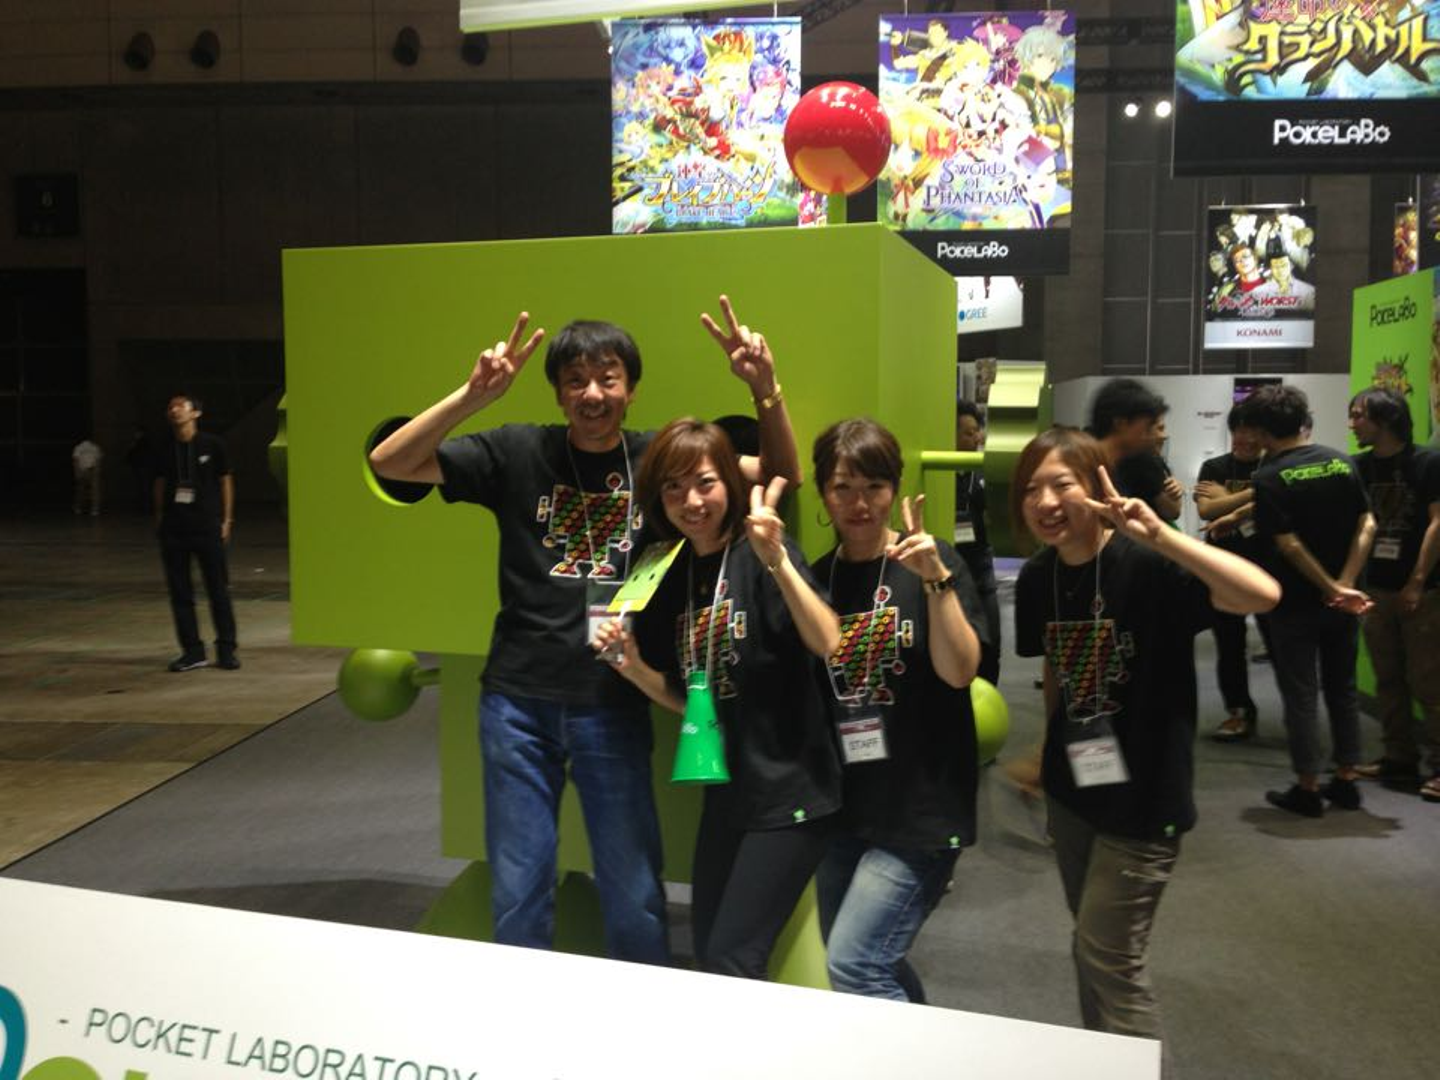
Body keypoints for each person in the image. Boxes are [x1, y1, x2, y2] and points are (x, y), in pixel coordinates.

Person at [367, 298, 800, 965]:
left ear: (631, 388)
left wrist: (764, 389)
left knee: (633, 890)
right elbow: (390, 462)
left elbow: (777, 475)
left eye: (607, 378)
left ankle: (639, 1009)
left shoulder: (656, 460)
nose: (592, 393)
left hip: (612, 699)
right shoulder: (517, 450)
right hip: (516, 703)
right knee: (519, 889)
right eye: (575, 380)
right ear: (558, 392)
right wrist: (473, 396)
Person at [1006, 426, 1278, 1047]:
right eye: (1030, 489)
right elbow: (1058, 669)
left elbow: (1261, 594)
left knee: (1110, 956)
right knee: (1090, 945)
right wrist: (1046, 750)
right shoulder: (1038, 578)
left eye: (1062, 485)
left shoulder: (1149, 565)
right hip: (1073, 793)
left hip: (1146, 797)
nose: (1044, 502)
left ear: (1096, 484)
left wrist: (1163, 536)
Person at [598, 418, 841, 979]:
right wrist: (632, 668)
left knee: (733, 958)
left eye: (705, 483)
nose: (691, 501)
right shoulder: (664, 567)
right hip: (728, 793)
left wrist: (778, 560)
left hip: (791, 793)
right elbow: (691, 700)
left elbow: (829, 641)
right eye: (674, 487)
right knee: (709, 950)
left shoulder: (760, 551)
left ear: (730, 482)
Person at [809, 418, 987, 1002]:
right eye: (842, 488)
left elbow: (959, 671)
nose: (859, 504)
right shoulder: (819, 580)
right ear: (823, 493)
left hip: (921, 810)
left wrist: (935, 580)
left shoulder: (935, 563)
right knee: (861, 958)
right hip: (847, 808)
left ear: (895, 487)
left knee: (855, 964)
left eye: (874, 487)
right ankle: (923, 1034)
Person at [1241, 385, 1376, 817]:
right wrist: (1345, 585)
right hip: (1345, 604)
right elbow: (1367, 524)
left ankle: (1308, 787)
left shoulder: (1268, 477)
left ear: (1261, 431)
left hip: (1294, 602)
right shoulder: (1341, 461)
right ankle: (1347, 779)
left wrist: (1330, 587)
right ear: (1303, 420)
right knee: (1343, 689)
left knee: (1300, 694)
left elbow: (1289, 544)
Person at [1348, 387, 1440, 802]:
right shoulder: (1359, 467)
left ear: (1385, 419)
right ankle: (1398, 757)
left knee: (1429, 682)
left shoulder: (1427, 463)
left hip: (1423, 591)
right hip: (1376, 588)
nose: (1353, 424)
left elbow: (1438, 522)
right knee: (1388, 678)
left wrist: (1418, 580)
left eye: (1359, 415)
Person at [1194, 402, 1268, 741]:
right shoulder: (1215, 466)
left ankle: (1299, 713)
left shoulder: (1274, 465)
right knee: (1229, 645)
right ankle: (1238, 712)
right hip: (1222, 571)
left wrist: (1228, 498)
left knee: (1279, 644)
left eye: (1253, 431)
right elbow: (1207, 510)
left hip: (1269, 570)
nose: (1245, 438)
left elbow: (1222, 505)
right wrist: (1257, 492)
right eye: (1239, 430)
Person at [153, 394, 238, 672]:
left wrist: (226, 519)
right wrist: (160, 518)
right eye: (170, 407)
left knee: (218, 590)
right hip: (174, 529)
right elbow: (160, 483)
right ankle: (192, 651)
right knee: (180, 593)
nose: (174, 410)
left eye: (180, 406)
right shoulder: (165, 448)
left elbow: (225, 481)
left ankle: (226, 649)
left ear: (195, 413)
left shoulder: (213, 444)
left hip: (207, 527)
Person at [1088, 378, 1182, 521]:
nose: (1151, 435)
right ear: (1120, 423)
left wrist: (1174, 494)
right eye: (1147, 427)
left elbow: (1172, 512)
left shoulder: (1140, 463)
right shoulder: (1081, 465)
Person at [955, 398, 1000, 683]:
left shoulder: (983, 473)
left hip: (981, 570)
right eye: (969, 433)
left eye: (978, 432)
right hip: (949, 573)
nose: (977, 438)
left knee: (991, 645)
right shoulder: (938, 477)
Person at [72, 436, 102, 516]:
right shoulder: (80, 447)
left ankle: (93, 508)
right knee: (82, 490)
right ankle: (80, 507)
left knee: (92, 491)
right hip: (84, 470)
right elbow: (76, 460)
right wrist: (77, 471)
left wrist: (96, 471)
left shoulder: (94, 447)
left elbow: (98, 460)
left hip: (90, 469)